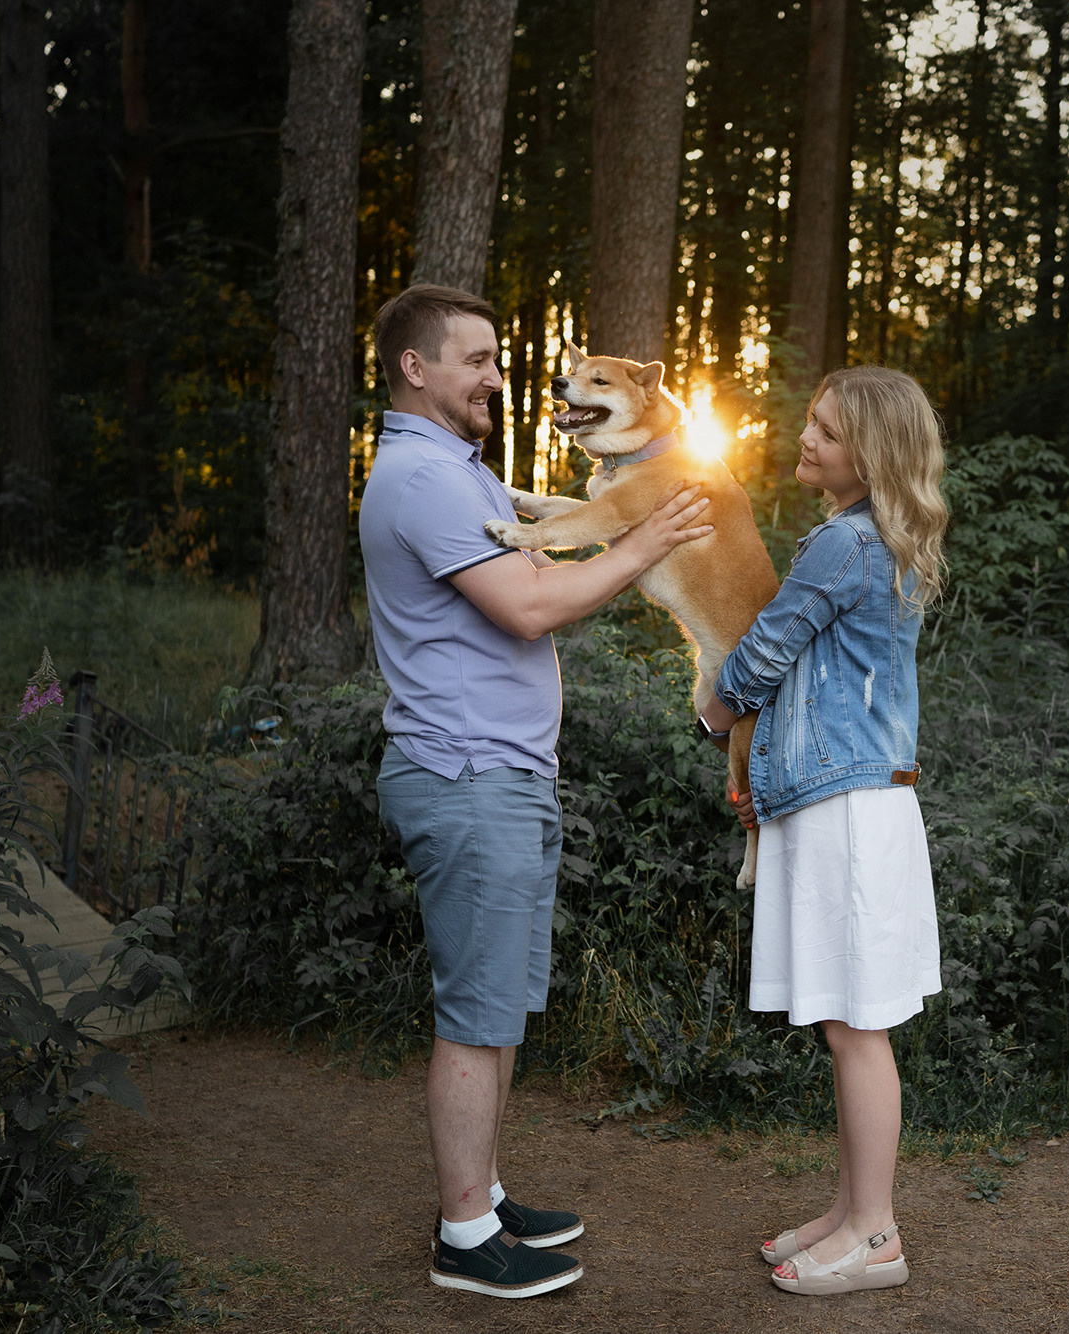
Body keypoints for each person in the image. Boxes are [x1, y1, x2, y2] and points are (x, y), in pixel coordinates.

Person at [359, 283, 713, 1299]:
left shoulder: (456, 469)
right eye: (474, 359)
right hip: (467, 774)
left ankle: (485, 1192)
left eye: (497, 358)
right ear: (415, 367)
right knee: (475, 1012)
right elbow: (529, 605)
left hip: (500, 773)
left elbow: (542, 554)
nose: (497, 377)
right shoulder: (425, 478)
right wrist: (643, 543)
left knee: (501, 1003)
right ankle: (465, 1236)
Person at [699, 366, 949, 1296]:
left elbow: (764, 649)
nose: (806, 439)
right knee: (849, 1025)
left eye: (830, 433)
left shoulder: (845, 545)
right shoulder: (864, 537)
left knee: (857, 1030)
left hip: (849, 808)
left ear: (872, 456)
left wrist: (714, 719)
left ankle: (876, 1236)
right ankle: (849, 1212)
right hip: (846, 798)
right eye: (812, 422)